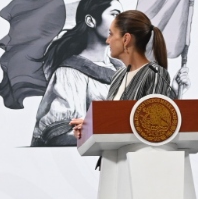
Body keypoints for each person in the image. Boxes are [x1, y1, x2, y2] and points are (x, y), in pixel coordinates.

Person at [31, 0, 124, 146]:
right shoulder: (70, 72)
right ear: (91, 21)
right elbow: (60, 134)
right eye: (114, 14)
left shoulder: (121, 69)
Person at [70, 10, 174, 140]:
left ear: (126, 39)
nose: (108, 40)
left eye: (111, 34)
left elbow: (152, 125)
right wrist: (87, 126)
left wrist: (95, 125)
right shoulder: (118, 76)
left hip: (139, 152)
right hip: (113, 151)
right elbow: (114, 120)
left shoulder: (155, 74)